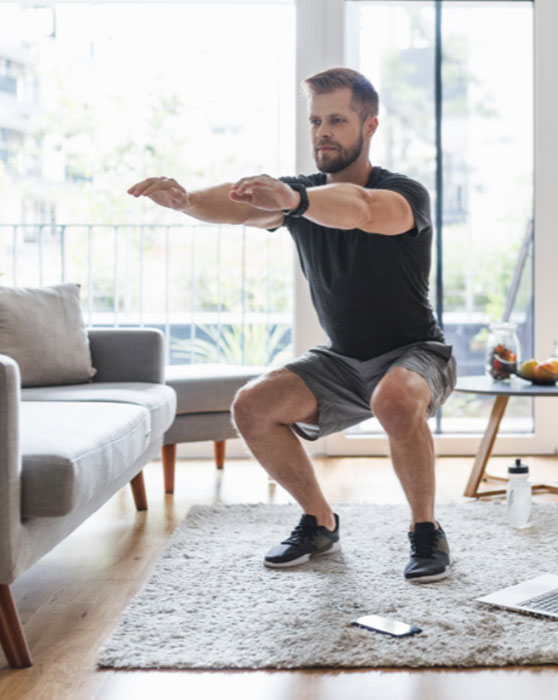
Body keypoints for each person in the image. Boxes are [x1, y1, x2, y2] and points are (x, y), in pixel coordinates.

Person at [127, 67, 456, 583]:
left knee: (393, 399)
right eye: (316, 121)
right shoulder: (298, 195)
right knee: (251, 406)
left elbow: (362, 210)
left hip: (415, 354)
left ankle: (425, 530)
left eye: (338, 120)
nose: (323, 132)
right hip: (343, 359)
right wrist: (186, 202)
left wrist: (295, 202)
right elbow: (239, 208)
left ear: (369, 127)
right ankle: (320, 522)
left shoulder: (405, 193)